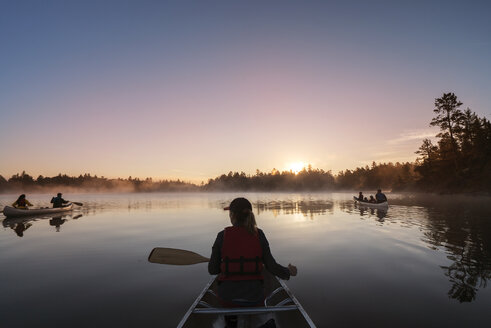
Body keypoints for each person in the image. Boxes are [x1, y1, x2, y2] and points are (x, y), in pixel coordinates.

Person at [208, 198, 297, 326]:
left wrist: (222, 262)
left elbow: (213, 270)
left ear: (232, 215)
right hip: (255, 297)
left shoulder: (222, 236)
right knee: (261, 292)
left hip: (227, 298)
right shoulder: (259, 234)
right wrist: (288, 272)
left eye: (230, 213)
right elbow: (271, 267)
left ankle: (231, 320)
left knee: (226, 298)